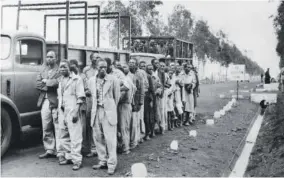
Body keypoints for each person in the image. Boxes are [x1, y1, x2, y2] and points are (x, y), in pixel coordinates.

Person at [88, 58, 121, 175]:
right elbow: (92, 96)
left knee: (110, 139)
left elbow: (116, 97)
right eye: (100, 67)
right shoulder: (91, 80)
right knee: (98, 137)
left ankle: (112, 164)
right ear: (96, 67)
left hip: (108, 112)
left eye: (105, 67)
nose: (103, 69)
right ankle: (102, 161)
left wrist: (110, 108)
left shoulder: (113, 80)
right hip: (96, 111)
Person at [57, 59, 85, 170]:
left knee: (75, 137)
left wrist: (76, 112)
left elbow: (81, 97)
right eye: (61, 67)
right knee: (64, 135)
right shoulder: (60, 80)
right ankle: (68, 157)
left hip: (72, 110)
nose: (62, 69)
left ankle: (77, 160)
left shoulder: (77, 79)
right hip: (62, 111)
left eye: (65, 67)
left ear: (69, 68)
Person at [36, 50, 61, 159]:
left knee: (58, 126)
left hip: (56, 100)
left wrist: (46, 81)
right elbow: (37, 84)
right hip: (44, 100)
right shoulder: (43, 69)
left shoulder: (60, 69)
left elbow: (58, 83)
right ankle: (49, 149)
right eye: (47, 57)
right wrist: (49, 83)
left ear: (56, 58)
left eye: (51, 57)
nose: (49, 59)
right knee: (46, 125)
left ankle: (60, 151)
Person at [81, 52, 100, 158]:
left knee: (99, 123)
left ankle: (99, 147)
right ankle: (91, 148)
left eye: (98, 57)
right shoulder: (86, 70)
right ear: (91, 59)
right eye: (94, 58)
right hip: (89, 100)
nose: (96, 59)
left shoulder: (102, 69)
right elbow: (83, 83)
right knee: (89, 124)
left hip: (100, 99)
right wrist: (86, 90)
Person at [69, 59, 88, 156]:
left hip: (81, 105)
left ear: (77, 67)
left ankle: (82, 148)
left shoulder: (82, 76)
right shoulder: (69, 77)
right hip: (72, 105)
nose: (73, 68)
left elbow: (86, 90)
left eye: (74, 66)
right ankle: (75, 150)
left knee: (82, 128)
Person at [118, 64, 136, 154]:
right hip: (128, 105)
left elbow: (125, 92)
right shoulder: (128, 79)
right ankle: (125, 145)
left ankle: (126, 148)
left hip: (124, 105)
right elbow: (134, 89)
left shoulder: (124, 80)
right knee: (126, 126)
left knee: (123, 127)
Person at [128, 58, 144, 149]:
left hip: (136, 100)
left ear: (136, 64)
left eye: (133, 63)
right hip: (128, 101)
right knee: (130, 122)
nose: (131, 64)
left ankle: (134, 141)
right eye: (130, 63)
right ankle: (132, 140)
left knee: (135, 122)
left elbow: (141, 89)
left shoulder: (139, 75)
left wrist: (141, 102)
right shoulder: (126, 74)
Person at [151, 58, 166, 134]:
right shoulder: (150, 72)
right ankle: (153, 129)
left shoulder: (161, 72)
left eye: (158, 63)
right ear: (152, 64)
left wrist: (160, 92)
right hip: (151, 95)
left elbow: (162, 84)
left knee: (161, 111)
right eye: (155, 63)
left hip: (159, 95)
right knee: (153, 111)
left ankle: (162, 127)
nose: (157, 64)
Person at [138, 61, 149, 143]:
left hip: (142, 97)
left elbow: (146, 86)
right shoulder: (138, 73)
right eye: (141, 66)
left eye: (144, 66)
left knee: (141, 117)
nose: (142, 68)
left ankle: (142, 135)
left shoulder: (144, 74)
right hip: (135, 98)